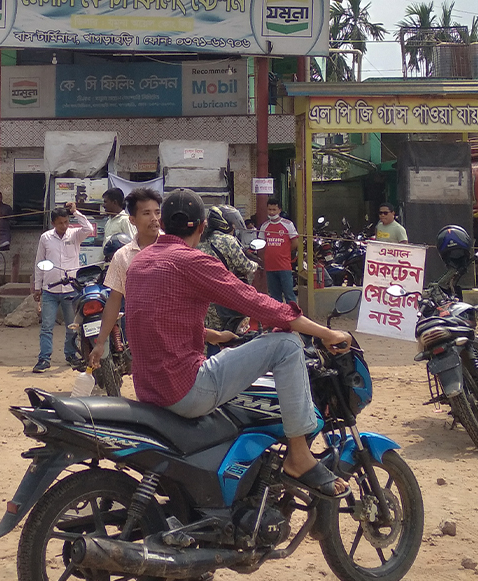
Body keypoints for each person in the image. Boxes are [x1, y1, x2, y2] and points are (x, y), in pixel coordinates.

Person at [125, 189, 352, 496]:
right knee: (286, 345)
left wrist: (215, 336)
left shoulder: (140, 262)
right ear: (202, 226)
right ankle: (299, 456)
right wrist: (328, 334)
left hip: (149, 388)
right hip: (185, 388)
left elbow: (158, 321)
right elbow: (260, 304)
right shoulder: (193, 261)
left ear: (162, 224)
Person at [87, 187, 163, 370]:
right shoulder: (122, 256)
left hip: (172, 334)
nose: (154, 218)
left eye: (157, 212)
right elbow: (114, 300)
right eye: (146, 213)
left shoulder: (175, 249)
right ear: (133, 220)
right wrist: (100, 343)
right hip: (140, 337)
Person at [32, 202, 97, 373]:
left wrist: (76, 212)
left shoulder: (75, 235)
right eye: (60, 222)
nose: (64, 225)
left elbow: (88, 227)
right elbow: (40, 263)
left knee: (72, 326)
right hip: (50, 290)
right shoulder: (45, 238)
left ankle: (70, 355)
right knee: (46, 327)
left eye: (66, 221)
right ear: (53, 223)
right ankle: (44, 359)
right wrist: (37, 287)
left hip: (70, 290)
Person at [199, 205, 258, 336]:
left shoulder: (200, 239)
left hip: (203, 298)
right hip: (225, 296)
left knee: (210, 337)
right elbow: (245, 267)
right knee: (232, 337)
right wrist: (255, 264)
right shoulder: (228, 240)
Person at [258, 197, 299, 303]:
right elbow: (261, 244)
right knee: (275, 297)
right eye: (269, 210)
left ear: (279, 210)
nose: (271, 212)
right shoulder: (264, 226)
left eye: (274, 210)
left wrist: (283, 251)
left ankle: (294, 317)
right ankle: (278, 319)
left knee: (289, 294)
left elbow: (295, 243)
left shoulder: (288, 224)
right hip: (270, 267)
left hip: (284, 266)